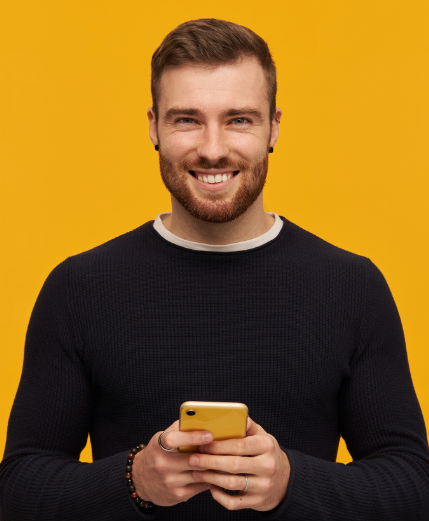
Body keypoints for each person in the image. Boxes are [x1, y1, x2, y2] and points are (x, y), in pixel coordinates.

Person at [1, 18, 428, 521]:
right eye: (186, 119)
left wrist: (292, 482)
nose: (212, 148)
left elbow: (412, 485)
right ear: (154, 127)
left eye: (239, 120)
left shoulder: (353, 287)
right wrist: (135, 480)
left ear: (274, 128)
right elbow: (19, 488)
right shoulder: (78, 289)